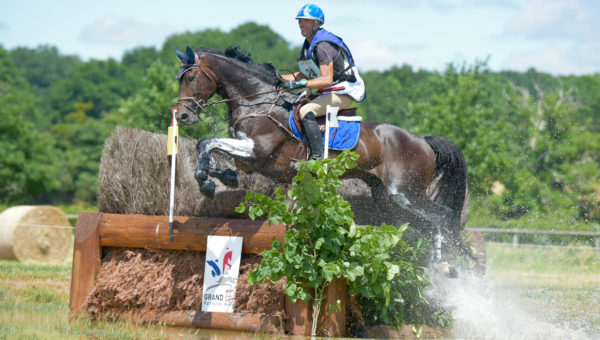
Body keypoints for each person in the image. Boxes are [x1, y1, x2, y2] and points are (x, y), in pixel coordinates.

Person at [281, 4, 366, 159]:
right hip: (332, 89)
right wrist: (279, 79)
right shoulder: (309, 44)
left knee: (306, 111)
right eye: (300, 20)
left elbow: (326, 79)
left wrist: (300, 84)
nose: (301, 24)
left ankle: (318, 158)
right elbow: (306, 74)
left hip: (345, 91)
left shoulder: (322, 45)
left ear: (317, 23)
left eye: (306, 20)